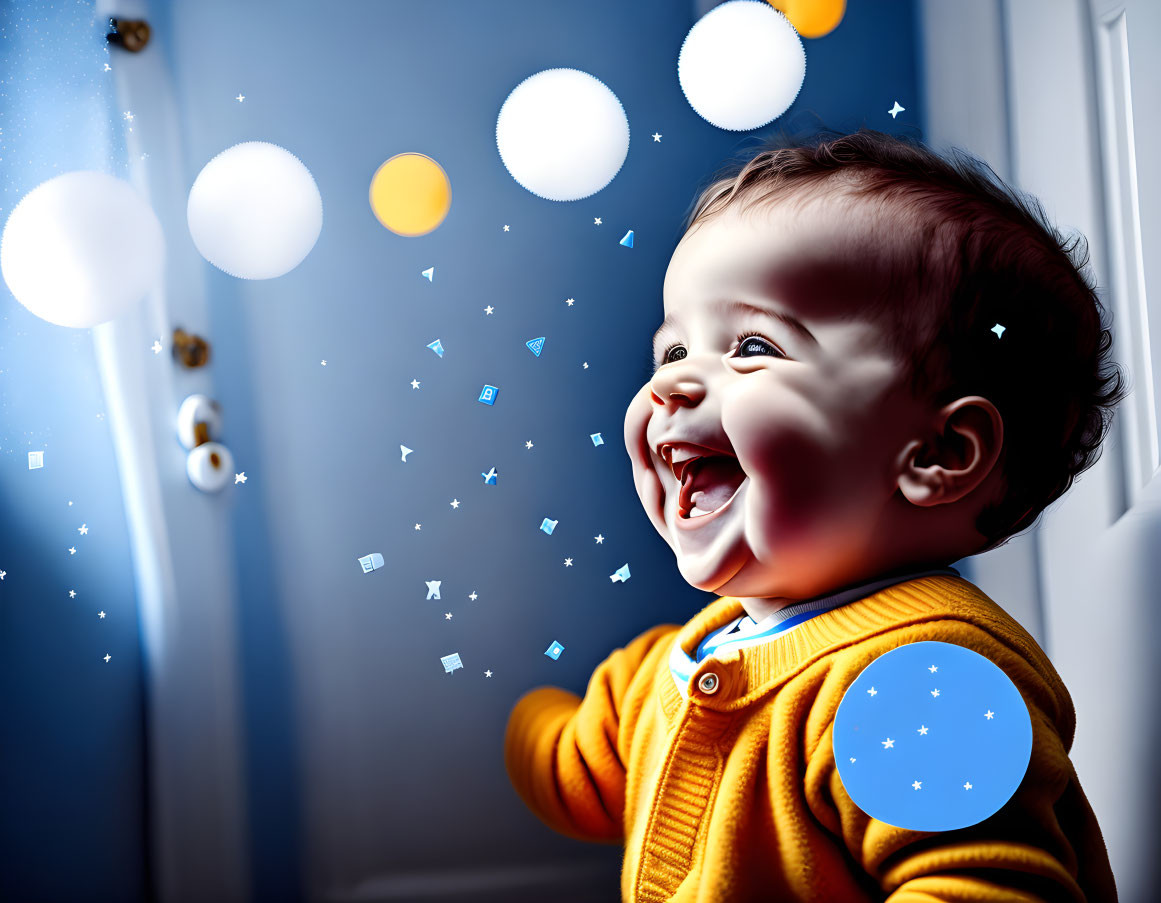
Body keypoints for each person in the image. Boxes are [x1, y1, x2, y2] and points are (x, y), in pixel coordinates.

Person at [505, 128, 1124, 901]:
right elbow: (578, 768)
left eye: (753, 346)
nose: (672, 385)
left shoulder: (924, 679)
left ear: (936, 452)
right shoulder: (684, 657)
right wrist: (513, 724)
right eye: (671, 353)